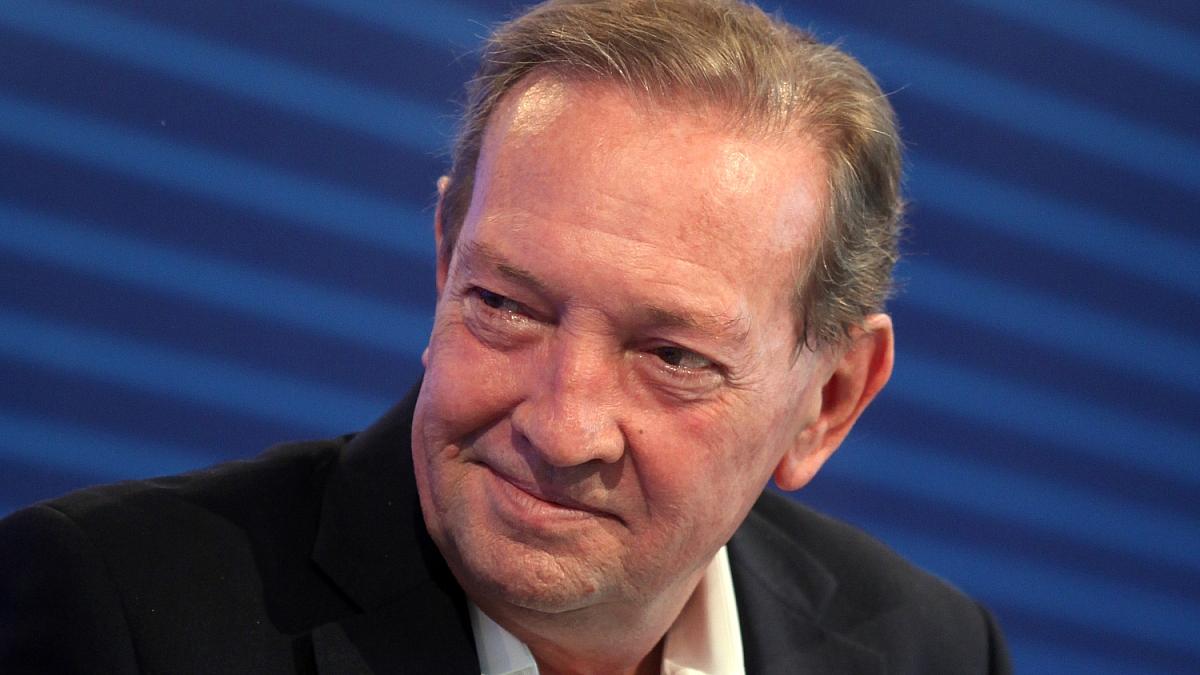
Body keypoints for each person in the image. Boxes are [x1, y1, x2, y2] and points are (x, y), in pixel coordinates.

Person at [0, 0, 1010, 672]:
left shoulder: (933, 650)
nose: (563, 429)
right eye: (507, 306)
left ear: (829, 400)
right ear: (447, 262)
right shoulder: (118, 618)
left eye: (672, 357)